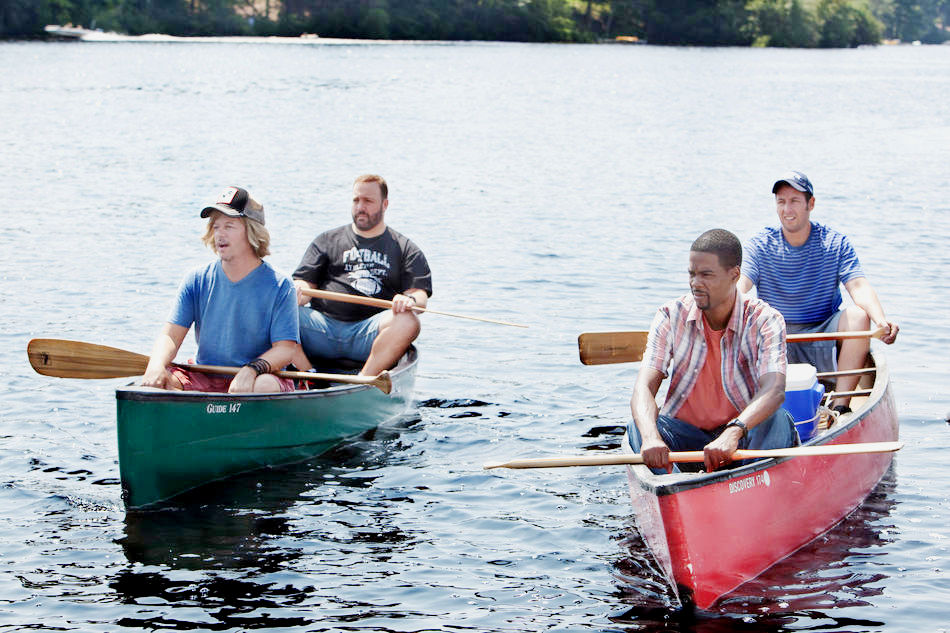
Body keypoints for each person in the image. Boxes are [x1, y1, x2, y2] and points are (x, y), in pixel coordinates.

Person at [628, 229, 798, 474]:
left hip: (740, 439)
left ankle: (751, 485)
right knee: (637, 426)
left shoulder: (766, 319)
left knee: (778, 420)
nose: (695, 283)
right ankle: (675, 489)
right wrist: (651, 437)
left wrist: (734, 431)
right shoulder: (670, 315)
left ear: (734, 275)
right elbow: (643, 387)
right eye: (692, 274)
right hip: (686, 439)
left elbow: (774, 389)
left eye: (706, 275)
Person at [738, 171, 899, 414]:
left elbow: (858, 286)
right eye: (781, 202)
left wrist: (880, 319)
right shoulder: (760, 244)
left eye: (794, 201)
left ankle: (841, 405)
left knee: (858, 315)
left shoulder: (835, 242)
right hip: (776, 335)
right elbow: (742, 283)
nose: (786, 209)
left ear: (810, 204)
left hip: (822, 332)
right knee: (737, 313)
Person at [142, 186, 300, 393]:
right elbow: (171, 335)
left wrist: (251, 370)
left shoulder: (280, 285)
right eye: (216, 227)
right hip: (205, 375)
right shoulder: (196, 279)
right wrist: (156, 365)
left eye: (229, 226)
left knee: (264, 385)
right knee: (159, 384)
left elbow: (285, 349)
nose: (220, 234)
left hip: (258, 376)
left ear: (252, 231)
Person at [292, 174, 432, 377]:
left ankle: (363, 381)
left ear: (385, 204)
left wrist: (408, 299)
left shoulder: (405, 249)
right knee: (278, 308)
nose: (360, 207)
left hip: (368, 334)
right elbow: (306, 285)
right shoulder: (326, 240)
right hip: (322, 328)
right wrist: (298, 290)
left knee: (408, 321)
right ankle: (309, 375)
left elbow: (420, 296)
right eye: (356, 200)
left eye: (368, 201)